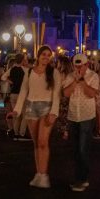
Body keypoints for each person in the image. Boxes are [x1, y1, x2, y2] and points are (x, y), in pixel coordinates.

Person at [12, 46, 61, 189]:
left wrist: (54, 112)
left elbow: (56, 93)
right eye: (43, 54)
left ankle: (44, 176)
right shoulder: (28, 72)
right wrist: (16, 111)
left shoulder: (54, 72)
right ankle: (38, 173)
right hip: (30, 108)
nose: (46, 57)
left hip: (47, 107)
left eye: (48, 55)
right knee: (35, 143)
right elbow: (23, 91)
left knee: (42, 142)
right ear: (38, 56)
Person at [62, 53, 100, 192]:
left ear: (86, 65)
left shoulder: (93, 76)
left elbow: (91, 94)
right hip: (73, 116)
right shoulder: (70, 76)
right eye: (76, 66)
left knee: (83, 149)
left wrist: (83, 80)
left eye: (81, 66)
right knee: (75, 149)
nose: (78, 68)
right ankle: (79, 177)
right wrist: (75, 81)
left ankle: (82, 179)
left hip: (87, 116)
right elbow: (66, 93)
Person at [5, 54, 28, 139]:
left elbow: (3, 77)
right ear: (22, 60)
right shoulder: (25, 70)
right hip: (22, 94)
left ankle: (16, 133)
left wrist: (11, 82)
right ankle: (22, 133)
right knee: (25, 115)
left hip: (13, 94)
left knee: (16, 114)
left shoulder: (12, 69)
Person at [56, 55, 73, 140]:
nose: (57, 64)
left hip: (62, 95)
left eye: (58, 62)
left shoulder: (61, 73)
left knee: (63, 114)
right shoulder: (71, 73)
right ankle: (67, 130)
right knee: (67, 113)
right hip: (70, 95)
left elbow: (60, 85)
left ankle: (65, 131)